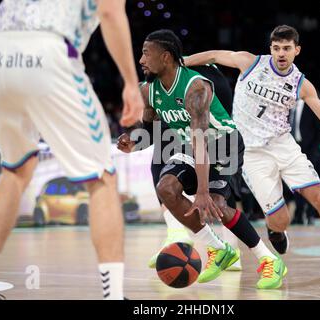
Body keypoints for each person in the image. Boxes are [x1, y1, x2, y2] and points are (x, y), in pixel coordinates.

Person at [0, 0, 143, 300]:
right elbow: (111, 11)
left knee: (15, 169)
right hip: (47, 47)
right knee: (102, 176)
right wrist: (130, 82)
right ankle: (112, 296)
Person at [185, 25, 320, 274]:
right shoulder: (249, 62)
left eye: (287, 48)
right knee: (281, 220)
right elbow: (214, 55)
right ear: (271, 48)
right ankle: (275, 230)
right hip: (251, 153)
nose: (281, 53)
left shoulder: (301, 84)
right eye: (277, 48)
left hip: (283, 146)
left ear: (297, 50)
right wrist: (182, 61)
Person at [118, 29, 286, 289]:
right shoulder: (148, 90)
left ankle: (269, 260)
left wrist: (204, 191)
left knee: (216, 204)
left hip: (225, 144)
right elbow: (150, 130)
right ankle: (216, 248)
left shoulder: (195, 87)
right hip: (191, 145)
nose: (140, 60)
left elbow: (201, 140)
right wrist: (132, 141)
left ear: (165, 58)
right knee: (166, 189)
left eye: (145, 53)